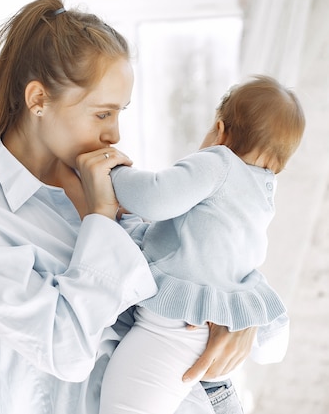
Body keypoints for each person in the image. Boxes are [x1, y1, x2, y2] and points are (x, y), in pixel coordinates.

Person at [0, 0, 257, 413]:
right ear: (38, 100)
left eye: (119, 113)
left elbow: (198, 259)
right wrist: (100, 220)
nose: (116, 133)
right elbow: (64, 350)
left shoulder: (113, 181)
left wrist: (242, 313)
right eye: (102, 114)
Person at [97, 76, 305, 414]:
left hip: (173, 325)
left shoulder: (218, 161)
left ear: (220, 130)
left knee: (123, 405)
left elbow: (156, 198)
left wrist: (114, 172)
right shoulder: (263, 193)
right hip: (212, 326)